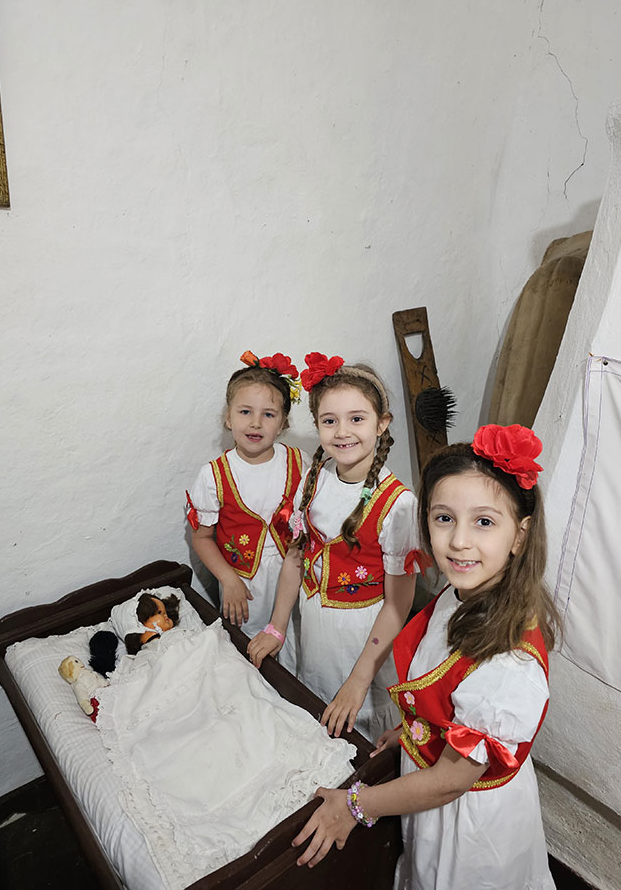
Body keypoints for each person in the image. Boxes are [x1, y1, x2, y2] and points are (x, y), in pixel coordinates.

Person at [290, 423, 561, 890]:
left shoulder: (509, 666)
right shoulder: (460, 594)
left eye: (484, 522)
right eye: (443, 518)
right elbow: (446, 700)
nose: (458, 541)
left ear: (520, 535)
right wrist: (413, 731)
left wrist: (355, 805)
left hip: (466, 820)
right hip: (433, 791)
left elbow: (451, 781)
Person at [248, 352, 423, 743]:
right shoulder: (315, 476)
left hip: (360, 642)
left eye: (356, 419)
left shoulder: (399, 506)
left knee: (352, 736)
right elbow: (296, 557)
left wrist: (358, 683)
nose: (343, 432)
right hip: (312, 628)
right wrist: (277, 627)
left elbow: (398, 607)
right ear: (317, 425)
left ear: (382, 423)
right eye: (330, 421)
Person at [186, 351, 308, 673]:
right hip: (244, 585)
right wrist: (228, 580)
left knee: (295, 645)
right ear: (228, 418)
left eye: (268, 414)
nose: (255, 423)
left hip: (294, 574)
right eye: (245, 412)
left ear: (283, 423)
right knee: (249, 656)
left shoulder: (299, 462)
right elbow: (201, 538)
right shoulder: (213, 476)